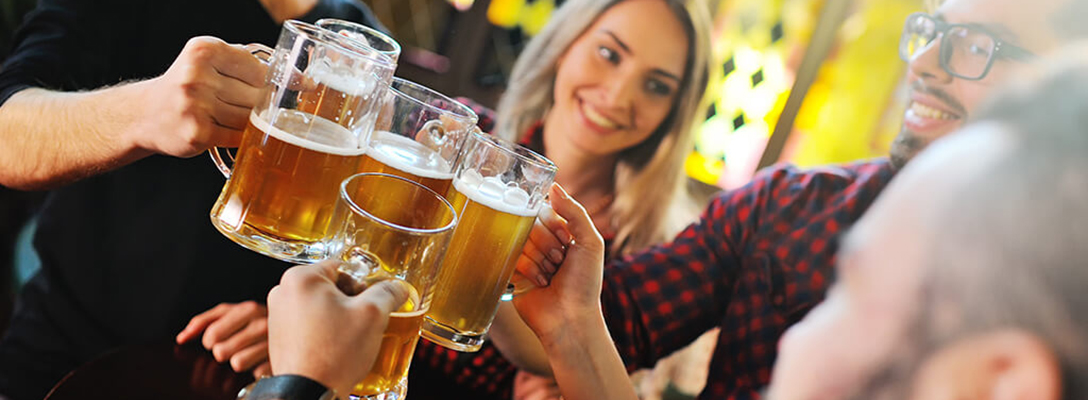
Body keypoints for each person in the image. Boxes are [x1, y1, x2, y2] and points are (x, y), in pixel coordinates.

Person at [487, 0, 1088, 398]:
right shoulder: (791, 206)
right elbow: (590, 326)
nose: (925, 64)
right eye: (931, 34)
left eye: (976, 46)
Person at [0, 1, 384, 399]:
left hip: (235, 377)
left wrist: (296, 321)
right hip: (69, 355)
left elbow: (355, 230)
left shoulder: (359, 41)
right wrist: (143, 112)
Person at [411, 0, 715, 398]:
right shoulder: (458, 135)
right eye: (609, 54)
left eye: (657, 86)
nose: (618, 95)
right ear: (565, 44)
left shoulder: (653, 251)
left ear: (675, 113)